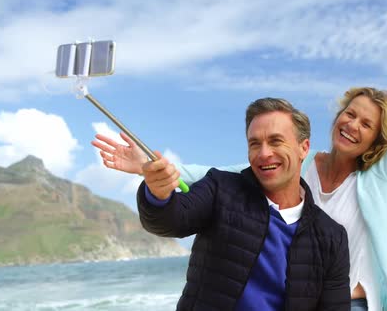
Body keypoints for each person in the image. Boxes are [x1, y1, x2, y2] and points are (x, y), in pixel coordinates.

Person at [92, 0, 387, 311]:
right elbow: (221, 175)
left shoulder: (376, 179)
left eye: (365, 123)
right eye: (349, 113)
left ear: (377, 138)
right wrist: (148, 166)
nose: (352, 124)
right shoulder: (292, 167)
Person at [137, 98, 351, 310]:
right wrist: (158, 193)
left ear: (303, 148)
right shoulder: (220, 188)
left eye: (276, 141)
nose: (264, 153)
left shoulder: (332, 237)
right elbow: (171, 220)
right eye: (255, 143)